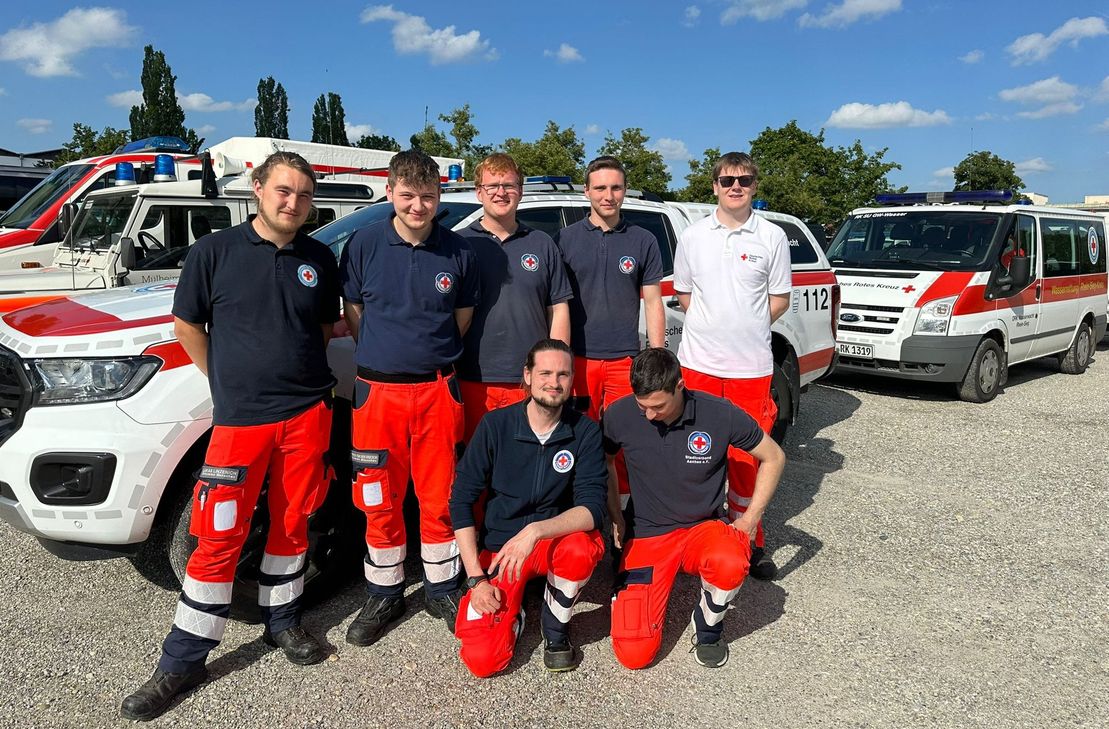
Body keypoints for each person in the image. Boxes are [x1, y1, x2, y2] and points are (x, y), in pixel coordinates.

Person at [121, 152, 340, 721]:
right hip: (241, 421)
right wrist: (225, 380)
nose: (293, 203)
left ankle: (283, 622)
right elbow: (187, 327)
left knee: (293, 524)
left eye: (303, 195)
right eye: (283, 191)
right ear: (259, 189)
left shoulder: (318, 258)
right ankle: (182, 660)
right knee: (217, 534)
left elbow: (320, 326)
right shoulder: (213, 252)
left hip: (308, 414)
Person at [340, 149, 478, 646]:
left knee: (438, 493)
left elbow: (460, 318)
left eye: (427, 196)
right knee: (377, 492)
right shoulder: (363, 244)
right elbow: (354, 310)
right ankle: (385, 591)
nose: (418, 206)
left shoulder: (458, 251)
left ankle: (441, 585)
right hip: (377, 394)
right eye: (407, 196)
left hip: (438, 390)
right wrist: (385, 356)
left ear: (439, 196)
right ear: (389, 193)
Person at [604, 348, 785, 669]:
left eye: (657, 406)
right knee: (634, 655)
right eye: (641, 406)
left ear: (680, 386)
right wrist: (616, 516)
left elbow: (774, 457)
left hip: (703, 529)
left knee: (731, 561)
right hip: (648, 535)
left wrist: (749, 520)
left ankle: (709, 626)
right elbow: (603, 462)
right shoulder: (619, 414)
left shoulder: (718, 414)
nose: (648, 415)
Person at [450, 339, 607, 676]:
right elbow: (461, 499)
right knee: (482, 661)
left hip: (552, 543)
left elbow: (593, 509)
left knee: (582, 548)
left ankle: (555, 627)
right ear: (527, 375)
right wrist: (476, 579)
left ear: (572, 379)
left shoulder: (586, 432)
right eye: (545, 373)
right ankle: (516, 614)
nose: (554, 382)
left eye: (563, 374)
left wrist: (535, 531)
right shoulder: (496, 426)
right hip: (504, 551)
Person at [671, 151, 790, 580]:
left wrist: (744, 327)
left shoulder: (772, 237)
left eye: (743, 180)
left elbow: (779, 300)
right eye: (726, 180)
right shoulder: (694, 236)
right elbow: (684, 294)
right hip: (698, 364)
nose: (734, 187)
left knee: (745, 460)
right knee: (692, 451)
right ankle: (693, 531)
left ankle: (748, 538)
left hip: (750, 367)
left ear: (755, 186)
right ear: (714, 186)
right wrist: (714, 328)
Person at [456, 153, 572, 441]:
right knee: (475, 463)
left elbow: (558, 308)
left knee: (524, 464)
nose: (501, 192)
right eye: (492, 186)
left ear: (520, 191)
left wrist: (554, 368)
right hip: (472, 377)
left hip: (529, 379)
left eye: (509, 185)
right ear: (478, 192)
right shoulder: (459, 244)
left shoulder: (542, 243)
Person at [555, 155, 665, 420]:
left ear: (624, 190)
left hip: (625, 359)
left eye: (616, 188)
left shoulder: (643, 240)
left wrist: (658, 358)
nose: (608, 196)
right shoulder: (564, 239)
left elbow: (652, 302)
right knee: (580, 434)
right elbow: (555, 304)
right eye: (600, 188)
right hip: (578, 358)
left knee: (624, 436)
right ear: (587, 191)